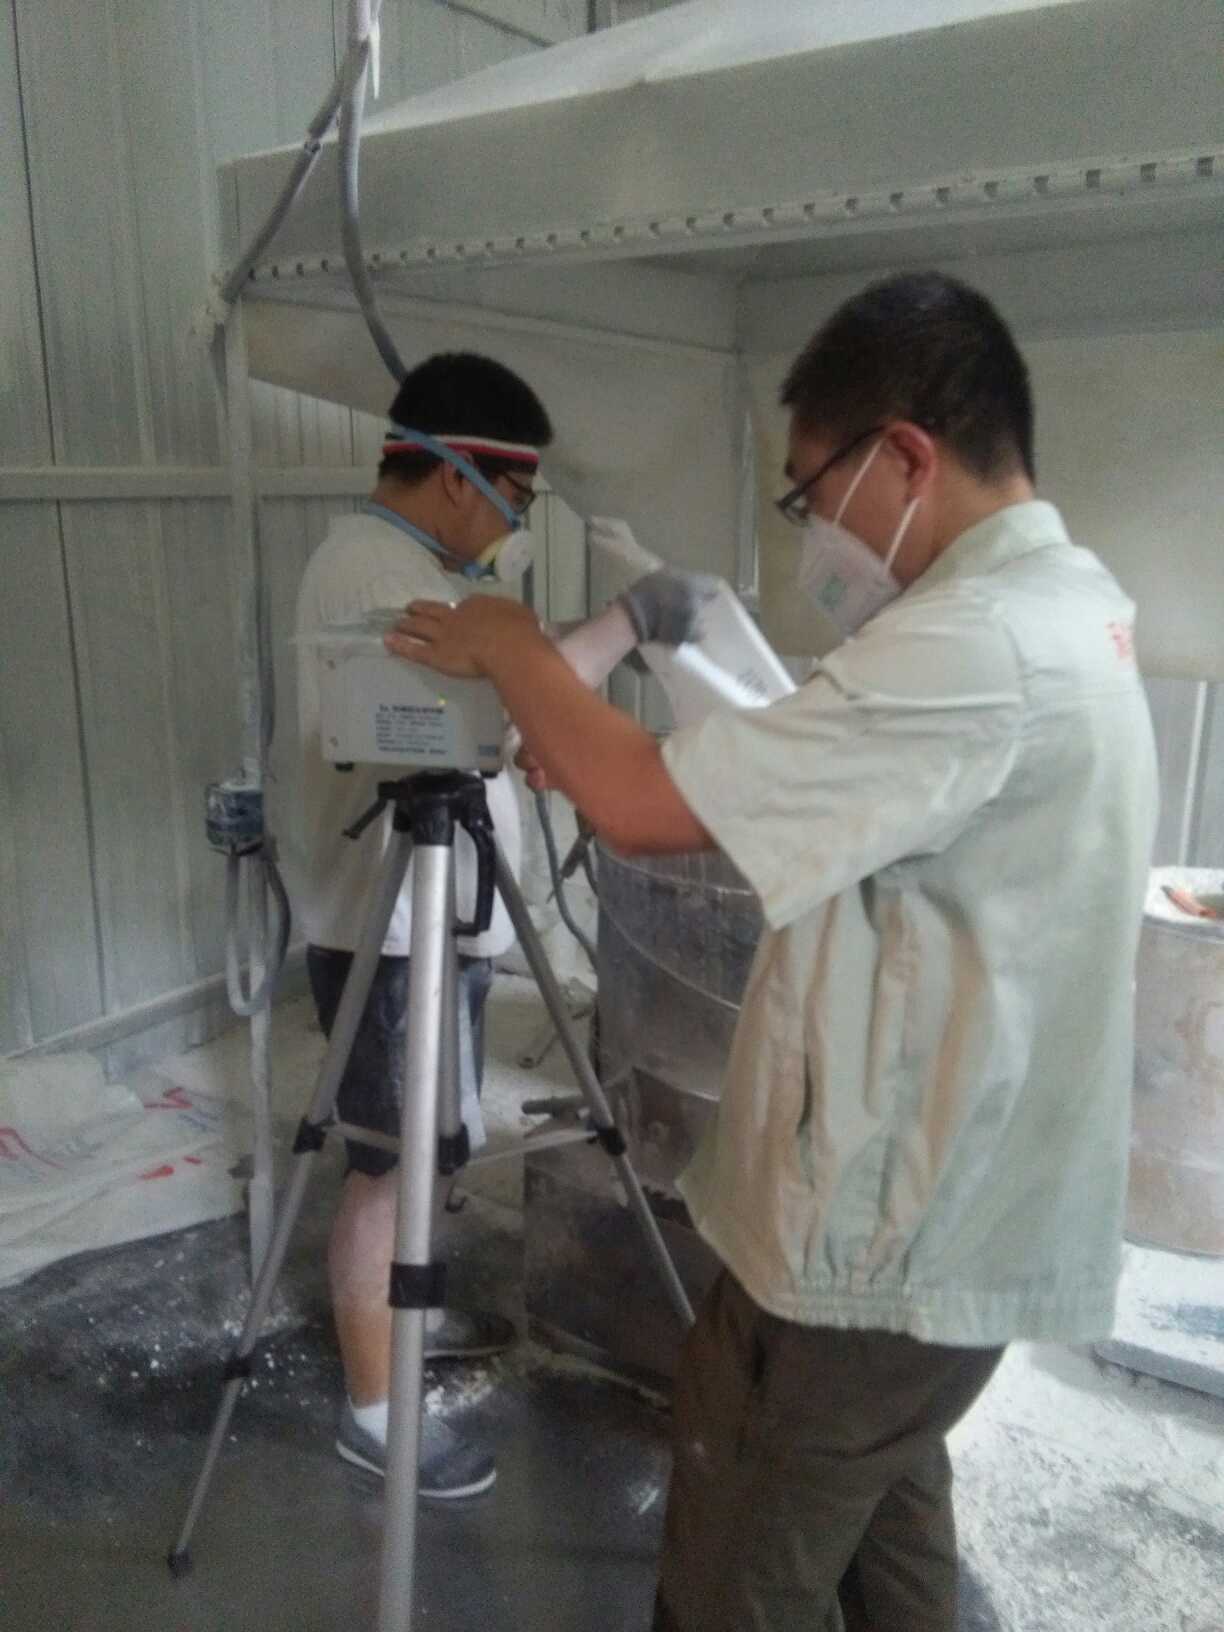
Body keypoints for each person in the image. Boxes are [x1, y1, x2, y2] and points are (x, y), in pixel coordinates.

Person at [385, 274, 1159, 1626]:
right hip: (947, 1237)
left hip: (879, 1250)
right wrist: (588, 716)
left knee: (743, 1549)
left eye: (812, 496)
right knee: (886, 1514)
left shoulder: (977, 644)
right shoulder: (1061, 606)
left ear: (905, 457)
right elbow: (783, 773)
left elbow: (637, 805)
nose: (816, 539)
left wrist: (512, 647)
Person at [294, 351, 553, 1499]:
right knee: (391, 1166)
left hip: (437, 916)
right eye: (517, 497)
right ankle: (373, 1410)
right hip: (390, 926)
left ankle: (410, 1325)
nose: (516, 522)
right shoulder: (374, 576)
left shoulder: (415, 567)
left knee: (432, 1146)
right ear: (461, 478)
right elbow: (477, 712)